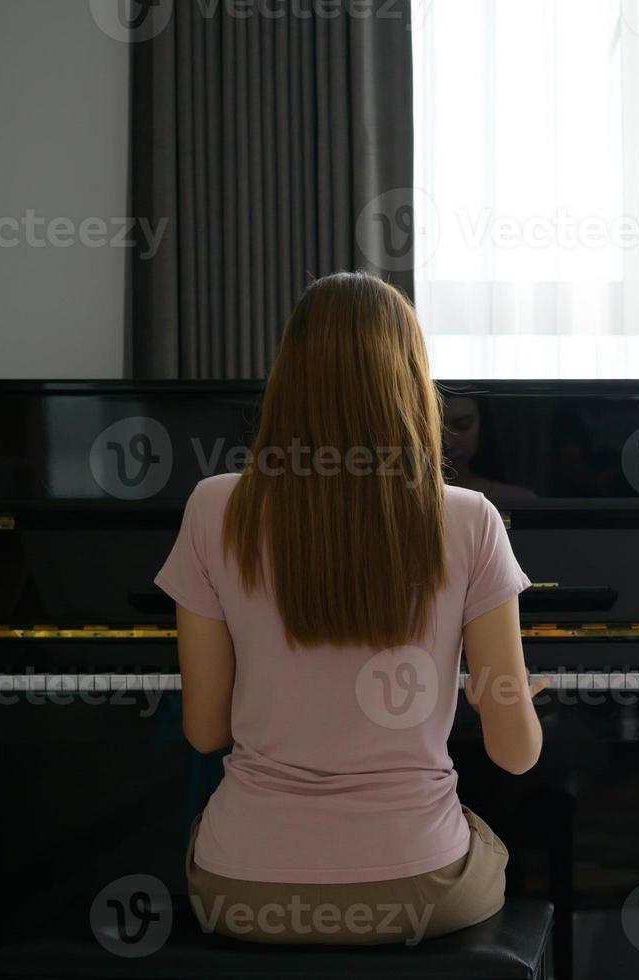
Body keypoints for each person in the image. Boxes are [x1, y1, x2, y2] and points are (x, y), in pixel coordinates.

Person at [154, 271, 545, 945]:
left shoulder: (213, 507)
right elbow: (514, 754)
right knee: (493, 848)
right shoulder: (470, 518)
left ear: (288, 379)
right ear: (409, 382)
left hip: (242, 887)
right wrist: (508, 695)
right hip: (418, 888)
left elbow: (204, 731)